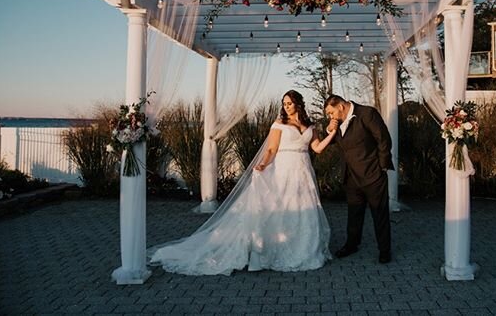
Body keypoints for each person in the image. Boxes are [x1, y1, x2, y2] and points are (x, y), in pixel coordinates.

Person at [149, 90, 336, 275]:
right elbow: (271, 150)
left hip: (303, 171)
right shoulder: (279, 124)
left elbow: (317, 148)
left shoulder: (310, 126)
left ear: (298, 104)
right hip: (283, 169)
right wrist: (263, 165)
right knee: (282, 207)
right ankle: (274, 249)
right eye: (284, 104)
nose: (286, 107)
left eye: (289, 103)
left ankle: (303, 248)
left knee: (304, 208)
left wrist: (331, 134)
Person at [324, 95, 394, 264]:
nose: (330, 117)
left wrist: (382, 166)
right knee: (354, 214)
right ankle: (352, 245)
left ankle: (384, 250)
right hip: (351, 177)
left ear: (340, 106)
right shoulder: (337, 122)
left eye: (331, 112)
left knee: (380, 214)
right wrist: (329, 129)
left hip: (372, 175)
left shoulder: (367, 113)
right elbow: (334, 143)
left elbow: (383, 139)